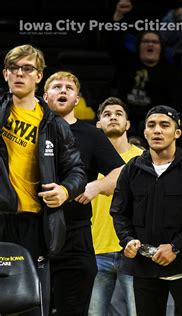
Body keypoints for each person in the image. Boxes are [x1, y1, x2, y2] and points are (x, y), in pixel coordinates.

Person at [1, 44, 86, 315]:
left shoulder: (53, 123)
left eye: (27, 68)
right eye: (13, 68)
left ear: (39, 76)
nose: (19, 74)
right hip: (0, 215)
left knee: (33, 302)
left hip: (34, 222)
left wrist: (64, 190)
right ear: (5, 74)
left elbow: (77, 171)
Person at [111, 105, 182, 316]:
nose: (157, 130)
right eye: (152, 125)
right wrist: (127, 239)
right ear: (145, 133)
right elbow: (119, 212)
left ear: (177, 133)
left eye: (164, 125)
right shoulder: (132, 168)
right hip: (145, 266)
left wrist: (175, 247)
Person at [44, 71, 125, 315]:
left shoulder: (91, 134)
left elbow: (120, 173)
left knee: (75, 309)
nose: (63, 90)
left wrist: (96, 186)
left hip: (75, 233)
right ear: (44, 95)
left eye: (69, 87)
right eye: (57, 86)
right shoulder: (31, 131)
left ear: (77, 99)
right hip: (34, 230)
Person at [89, 97, 143, 315]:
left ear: (128, 124)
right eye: (107, 114)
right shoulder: (87, 159)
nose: (113, 117)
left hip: (133, 249)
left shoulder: (143, 159)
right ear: (99, 124)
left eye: (118, 114)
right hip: (95, 249)